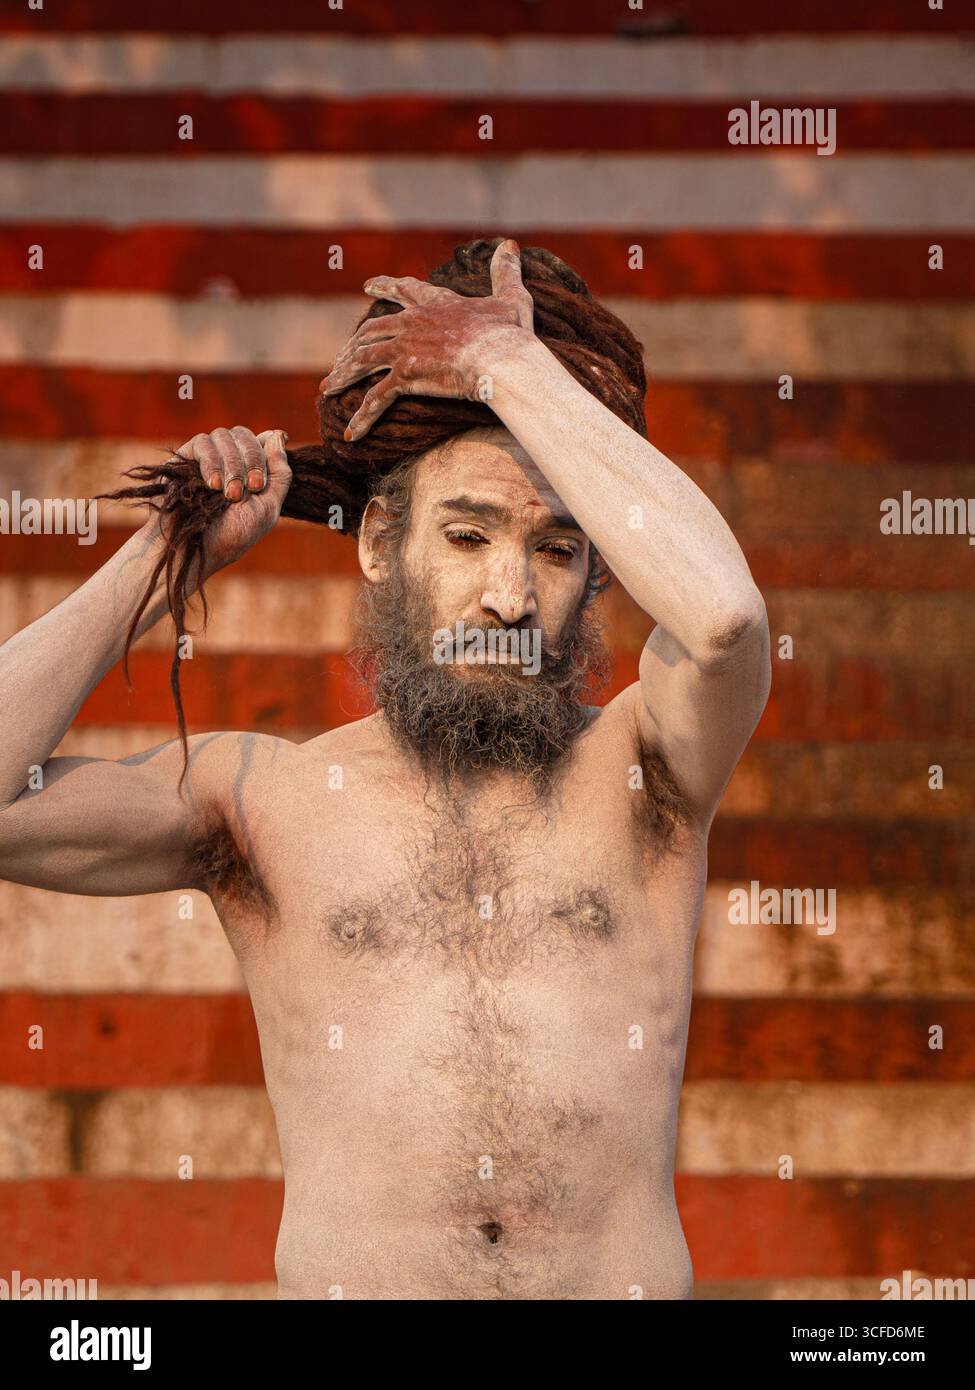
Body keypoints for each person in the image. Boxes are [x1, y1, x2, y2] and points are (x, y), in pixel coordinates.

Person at [0, 238, 769, 1299]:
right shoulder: (259, 799)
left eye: (556, 551)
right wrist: (162, 558)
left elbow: (725, 619)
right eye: (467, 537)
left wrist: (507, 367)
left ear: (600, 570)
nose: (509, 596)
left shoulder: (651, 767)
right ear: (378, 546)